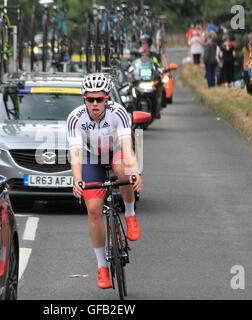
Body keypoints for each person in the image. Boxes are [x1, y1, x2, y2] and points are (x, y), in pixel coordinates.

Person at [67, 73, 143, 289]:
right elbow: (75, 153)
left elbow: (127, 147)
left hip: (116, 152)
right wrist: (78, 180)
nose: (94, 104)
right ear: (84, 99)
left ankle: (129, 214)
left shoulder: (118, 113)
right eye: (90, 99)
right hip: (91, 157)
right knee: (93, 209)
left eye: (99, 99)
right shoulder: (75, 118)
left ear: (106, 98)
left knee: (122, 168)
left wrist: (135, 172)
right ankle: (102, 267)